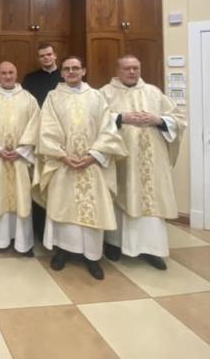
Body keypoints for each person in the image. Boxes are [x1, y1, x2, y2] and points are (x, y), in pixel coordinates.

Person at [37, 57, 127, 280]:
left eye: (75, 68)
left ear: (83, 71)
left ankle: (92, 257)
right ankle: (63, 251)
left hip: (92, 164)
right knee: (64, 207)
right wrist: (62, 155)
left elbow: (108, 129)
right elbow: (46, 128)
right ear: (62, 73)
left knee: (92, 210)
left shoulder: (96, 96)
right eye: (67, 69)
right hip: (63, 164)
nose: (71, 72)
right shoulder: (53, 97)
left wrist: (93, 155)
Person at [100, 55, 187, 270]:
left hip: (152, 160)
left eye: (135, 68)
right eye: (127, 68)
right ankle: (114, 243)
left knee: (151, 200)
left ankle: (151, 249)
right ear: (117, 70)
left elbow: (179, 119)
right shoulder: (105, 93)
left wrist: (158, 120)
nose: (132, 72)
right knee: (120, 197)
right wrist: (121, 118)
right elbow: (95, 120)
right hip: (122, 159)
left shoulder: (153, 92)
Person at [0, 61, 40, 256]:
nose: (7, 76)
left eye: (11, 72)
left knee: (22, 200)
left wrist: (22, 150)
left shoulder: (28, 99)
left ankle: (23, 243)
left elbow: (36, 125)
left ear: (16, 73)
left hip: (20, 160)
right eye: (3, 73)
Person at [21, 43, 63, 239]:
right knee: (38, 181)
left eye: (49, 54)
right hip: (37, 137)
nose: (46, 58)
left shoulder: (66, 77)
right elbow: (25, 107)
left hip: (60, 140)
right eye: (42, 56)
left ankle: (58, 232)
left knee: (57, 184)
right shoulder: (30, 79)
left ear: (55, 55)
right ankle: (39, 229)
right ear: (38, 59)